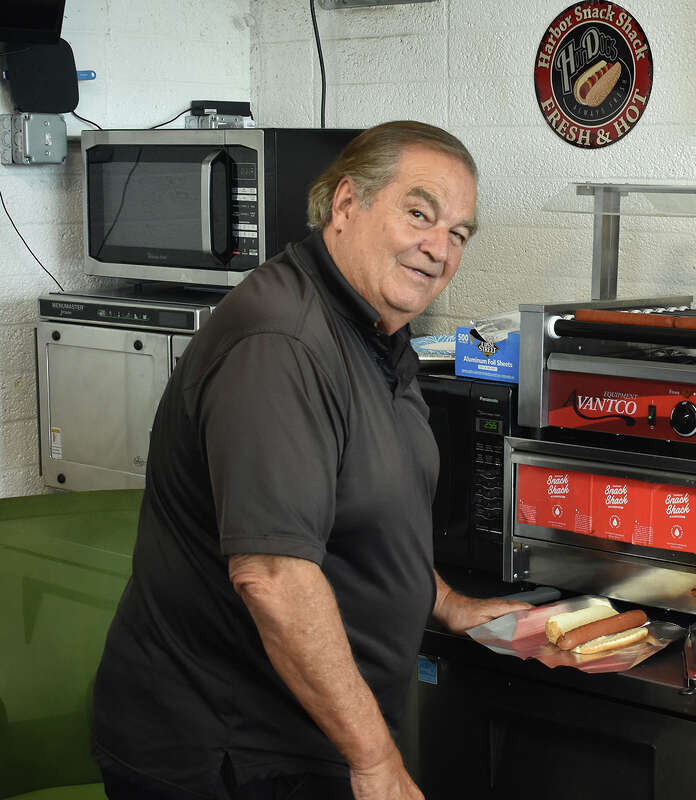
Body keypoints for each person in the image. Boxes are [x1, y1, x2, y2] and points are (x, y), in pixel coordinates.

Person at [91, 121, 528, 800]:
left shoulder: (375, 329)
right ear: (347, 204)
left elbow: (365, 515)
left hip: (303, 740)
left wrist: (445, 602)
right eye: (420, 214)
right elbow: (273, 574)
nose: (438, 248)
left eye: (459, 233)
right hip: (225, 752)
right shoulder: (282, 344)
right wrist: (377, 761)